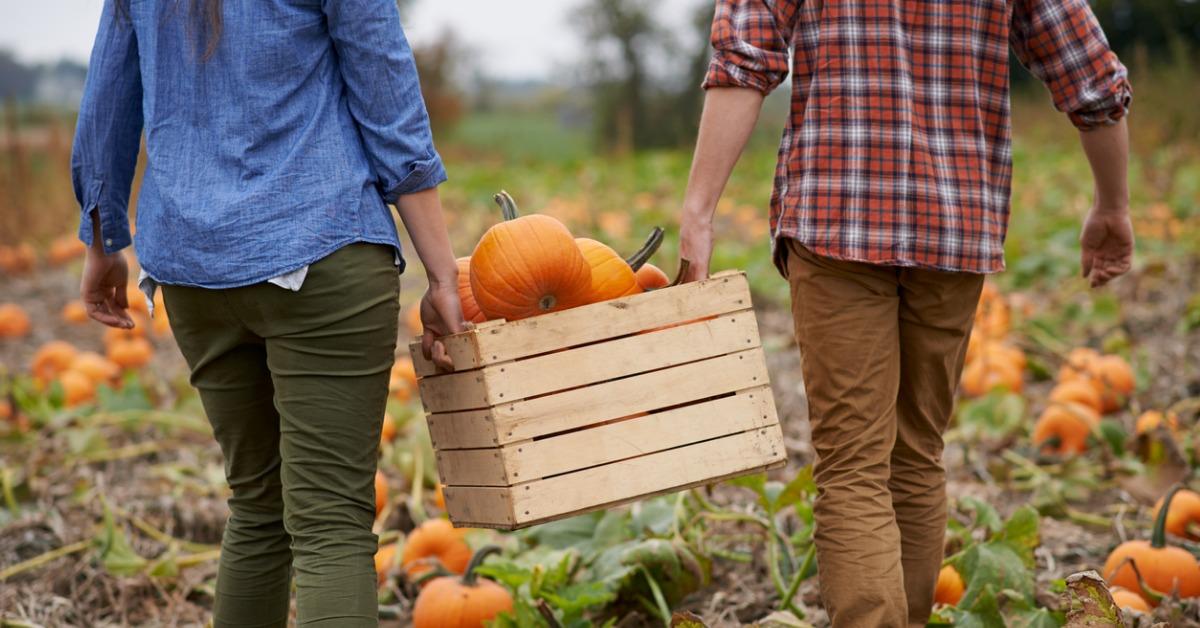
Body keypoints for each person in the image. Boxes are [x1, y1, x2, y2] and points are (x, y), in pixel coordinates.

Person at [678, 0, 1132, 625]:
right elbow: (1090, 75)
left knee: (853, 467)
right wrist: (1113, 205)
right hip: (955, 226)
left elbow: (743, 59)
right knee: (917, 452)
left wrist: (699, 211)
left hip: (835, 215)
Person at [72, 0, 464, 625]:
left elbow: (108, 95)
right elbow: (387, 92)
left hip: (193, 268)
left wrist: (102, 242)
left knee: (257, 511)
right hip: (323, 246)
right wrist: (442, 273)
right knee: (331, 524)